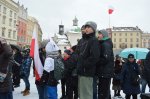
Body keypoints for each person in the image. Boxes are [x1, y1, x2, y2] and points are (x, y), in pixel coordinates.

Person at [77, 21, 100, 99]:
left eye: (88, 27)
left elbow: (95, 57)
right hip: (82, 72)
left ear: (93, 29)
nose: (86, 29)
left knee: (86, 95)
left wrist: (83, 65)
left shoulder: (94, 40)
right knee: (83, 95)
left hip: (87, 72)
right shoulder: (84, 40)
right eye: (85, 27)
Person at [96, 29, 114, 99]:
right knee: (105, 92)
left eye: (100, 34)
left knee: (103, 92)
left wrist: (96, 61)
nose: (98, 36)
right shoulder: (105, 43)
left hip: (105, 72)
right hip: (105, 72)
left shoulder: (105, 44)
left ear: (104, 35)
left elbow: (105, 58)